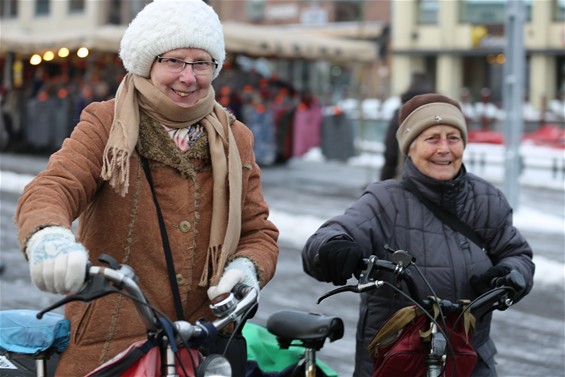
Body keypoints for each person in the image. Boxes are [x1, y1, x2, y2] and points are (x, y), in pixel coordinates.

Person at [15, 0, 279, 375]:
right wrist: (48, 237)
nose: (188, 78)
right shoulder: (106, 123)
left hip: (202, 345)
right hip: (112, 344)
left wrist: (248, 266)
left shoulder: (236, 139)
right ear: (146, 63)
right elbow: (55, 186)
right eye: (173, 61)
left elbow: (258, 231)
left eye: (201, 63)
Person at [302, 93, 535, 376]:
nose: (444, 149)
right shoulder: (384, 200)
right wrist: (333, 248)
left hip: (470, 358)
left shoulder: (486, 199)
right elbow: (329, 235)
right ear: (409, 147)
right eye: (432, 138)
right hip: (398, 360)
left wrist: (510, 276)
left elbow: (516, 253)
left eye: (453, 138)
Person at [380, 72, 432, 181]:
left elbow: (391, 148)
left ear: (410, 85)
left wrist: (385, 177)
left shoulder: (403, 110)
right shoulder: (434, 108)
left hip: (407, 169)